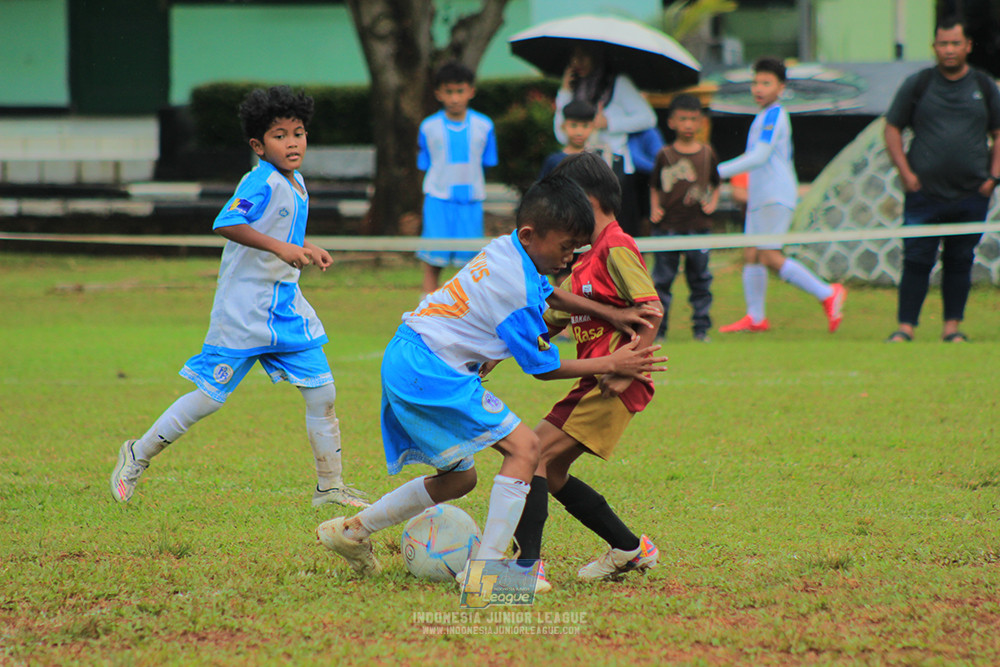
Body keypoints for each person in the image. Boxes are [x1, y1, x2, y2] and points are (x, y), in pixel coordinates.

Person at [315, 174, 667, 584]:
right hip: (433, 368)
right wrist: (612, 364)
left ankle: (353, 532)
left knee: (460, 478)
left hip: (408, 358)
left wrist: (613, 314)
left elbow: (550, 293)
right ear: (531, 234)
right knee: (526, 448)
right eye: (566, 247)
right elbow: (543, 368)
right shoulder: (512, 288)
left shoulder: (507, 249)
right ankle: (491, 575)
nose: (570, 258)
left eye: (576, 249)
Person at [109, 86, 368, 508]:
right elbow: (227, 221)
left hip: (285, 306)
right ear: (258, 145)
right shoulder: (260, 179)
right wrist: (282, 249)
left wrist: (305, 245)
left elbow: (282, 233)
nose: (292, 142)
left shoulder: (296, 181)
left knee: (322, 393)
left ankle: (330, 489)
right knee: (209, 399)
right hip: (244, 310)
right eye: (280, 135)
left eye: (298, 132)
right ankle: (136, 454)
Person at [510, 153, 663, 592]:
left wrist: (627, 367)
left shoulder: (616, 245)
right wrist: (494, 353)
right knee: (551, 471)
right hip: (593, 380)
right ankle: (629, 548)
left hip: (612, 383)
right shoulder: (582, 258)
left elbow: (650, 308)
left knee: (531, 453)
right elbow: (550, 323)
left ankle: (525, 571)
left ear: (586, 198)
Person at [883, 16, 1000, 343]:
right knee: (917, 259)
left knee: (960, 261)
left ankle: (952, 328)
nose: (949, 50)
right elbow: (892, 128)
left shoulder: (984, 86)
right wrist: (906, 174)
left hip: (971, 193)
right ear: (934, 47)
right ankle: (906, 327)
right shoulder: (918, 85)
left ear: (967, 46)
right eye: (943, 44)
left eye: (955, 44)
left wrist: (993, 178)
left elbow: (998, 132)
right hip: (924, 194)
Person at [715, 57, 846, 334]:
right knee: (752, 253)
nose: (758, 88)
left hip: (775, 195)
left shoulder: (775, 114)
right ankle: (756, 317)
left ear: (781, 87)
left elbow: (759, 156)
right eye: (755, 82)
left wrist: (717, 171)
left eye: (766, 83)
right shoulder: (763, 116)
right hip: (760, 195)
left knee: (769, 256)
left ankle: (827, 293)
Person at [554, 41, 658, 237]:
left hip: (615, 171)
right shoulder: (575, 89)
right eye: (574, 57)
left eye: (585, 56)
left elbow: (648, 118)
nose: (579, 62)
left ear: (597, 56)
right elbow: (560, 134)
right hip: (584, 172)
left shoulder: (618, 83)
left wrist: (609, 122)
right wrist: (565, 91)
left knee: (620, 233)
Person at [417, 61, 498, 295]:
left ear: (471, 91)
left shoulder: (485, 126)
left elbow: (487, 161)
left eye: (460, 91)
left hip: (471, 201)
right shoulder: (428, 127)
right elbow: (424, 163)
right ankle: (424, 317)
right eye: (449, 92)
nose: (454, 98)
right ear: (438, 93)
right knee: (433, 261)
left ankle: (466, 318)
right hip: (438, 200)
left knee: (470, 264)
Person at [649, 94, 720, 342]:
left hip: (698, 227)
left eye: (693, 119)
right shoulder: (664, 154)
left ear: (701, 122)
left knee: (700, 280)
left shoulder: (707, 154)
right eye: (683, 119)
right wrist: (655, 208)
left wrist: (713, 202)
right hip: (667, 227)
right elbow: (654, 185)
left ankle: (701, 329)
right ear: (671, 122)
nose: (688, 124)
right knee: (662, 281)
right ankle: (660, 330)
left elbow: (716, 183)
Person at [538, 100, 597, 179]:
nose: (579, 132)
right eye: (573, 125)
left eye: (585, 126)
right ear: (563, 126)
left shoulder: (596, 162)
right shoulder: (553, 161)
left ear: (592, 127)